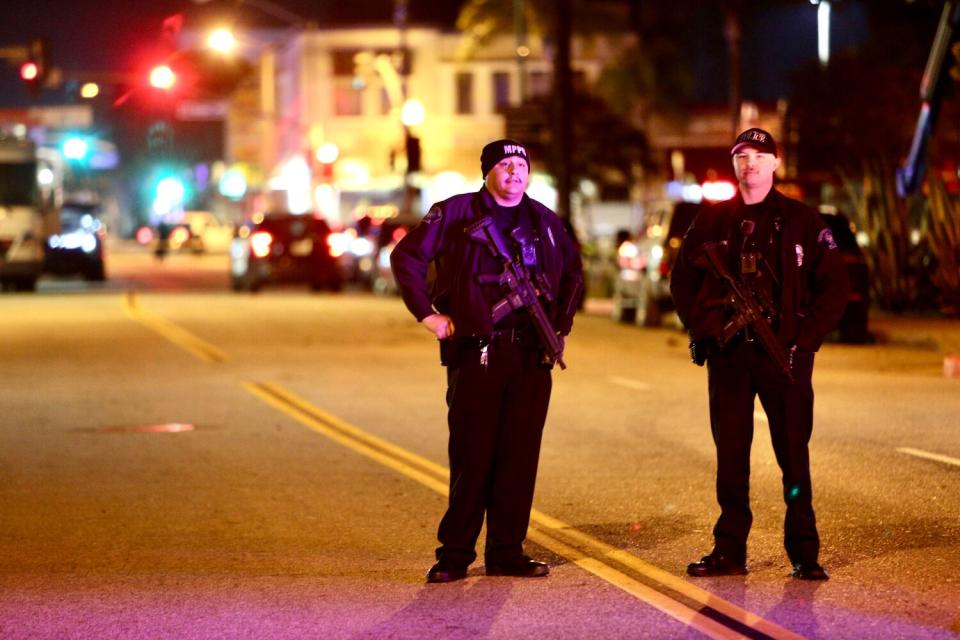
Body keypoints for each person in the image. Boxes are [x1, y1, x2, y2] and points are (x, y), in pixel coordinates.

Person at [391, 138, 584, 583]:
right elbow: (407, 257)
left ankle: (507, 551)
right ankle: (455, 554)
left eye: (521, 165)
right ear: (487, 172)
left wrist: (561, 327)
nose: (514, 172)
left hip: (531, 354)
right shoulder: (456, 213)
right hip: (477, 351)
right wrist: (429, 317)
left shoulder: (545, 222)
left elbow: (573, 274)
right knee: (473, 455)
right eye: (505, 164)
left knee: (519, 456)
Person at [670, 128, 848, 581]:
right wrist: (703, 326)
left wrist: (804, 341)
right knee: (731, 456)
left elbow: (834, 287)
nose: (750, 163)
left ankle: (804, 552)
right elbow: (682, 280)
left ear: (774, 164)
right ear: (735, 164)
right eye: (742, 155)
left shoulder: (802, 220)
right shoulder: (711, 221)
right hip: (729, 356)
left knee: (793, 456)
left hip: (784, 356)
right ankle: (729, 549)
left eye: (759, 156)